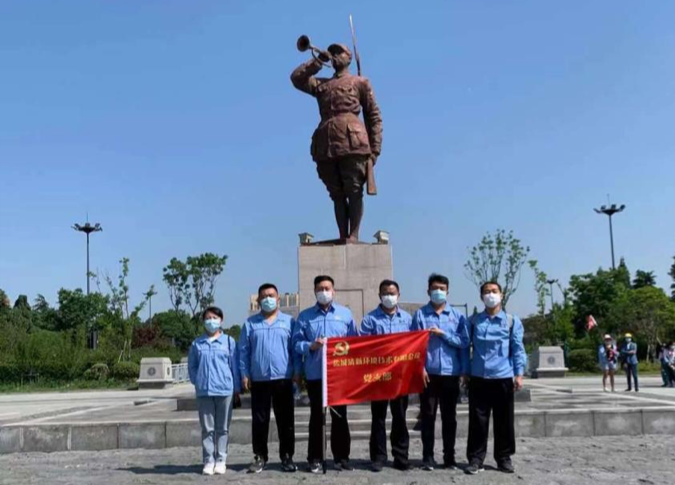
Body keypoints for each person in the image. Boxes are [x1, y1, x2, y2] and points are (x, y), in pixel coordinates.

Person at [291, 42, 382, 242]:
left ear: (349, 58)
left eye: (339, 52)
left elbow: (373, 116)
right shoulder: (322, 84)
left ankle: (353, 235)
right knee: (336, 193)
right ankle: (342, 234)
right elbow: (297, 78)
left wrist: (375, 150)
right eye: (332, 53)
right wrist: (318, 61)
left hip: (354, 142)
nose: (335, 55)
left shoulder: (360, 82)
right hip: (326, 144)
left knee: (354, 189)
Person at [292, 275, 358, 473]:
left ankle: (342, 457)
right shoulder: (305, 317)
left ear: (334, 291)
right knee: (316, 418)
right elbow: (296, 344)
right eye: (320, 289)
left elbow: (355, 343)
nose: (324, 292)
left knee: (340, 417)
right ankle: (315, 458)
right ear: (314, 291)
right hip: (315, 375)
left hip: (339, 376)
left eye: (327, 288)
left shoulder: (345, 314)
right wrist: (310, 346)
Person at [239, 283, 301, 473]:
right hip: (259, 379)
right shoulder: (250, 324)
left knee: (286, 421)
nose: (268, 299)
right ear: (258, 300)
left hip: (284, 378)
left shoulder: (289, 322)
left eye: (271, 295)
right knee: (259, 421)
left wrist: (297, 372)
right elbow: (244, 351)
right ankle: (260, 456)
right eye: (264, 296)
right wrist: (244, 373)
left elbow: (295, 350)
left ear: (278, 298)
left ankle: (287, 456)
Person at [465, 281, 526, 475]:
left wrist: (519, 374)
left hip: (503, 377)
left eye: (494, 291)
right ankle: (476, 459)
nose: (490, 295)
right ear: (481, 297)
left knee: (504, 421)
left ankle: (504, 458)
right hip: (479, 377)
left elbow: (518, 349)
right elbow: (465, 348)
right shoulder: (473, 321)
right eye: (486, 292)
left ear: (502, 294)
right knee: (477, 421)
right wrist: (465, 372)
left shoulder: (511, 321)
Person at [411, 274, 470, 471]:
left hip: (450, 373)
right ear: (428, 291)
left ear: (448, 291)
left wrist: (444, 335)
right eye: (435, 288)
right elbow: (414, 345)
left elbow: (464, 343)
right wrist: (420, 368)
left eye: (442, 289)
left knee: (449, 417)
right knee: (427, 416)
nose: (438, 291)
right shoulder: (420, 315)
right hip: (428, 374)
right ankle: (428, 457)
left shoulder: (457, 316)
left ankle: (449, 457)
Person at [359, 279, 414, 472]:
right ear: (379, 295)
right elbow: (363, 346)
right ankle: (378, 457)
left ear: (399, 295)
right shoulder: (370, 319)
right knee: (378, 418)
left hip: (400, 377)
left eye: (392, 293)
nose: (388, 296)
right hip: (379, 377)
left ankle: (401, 456)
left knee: (400, 416)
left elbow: (415, 346)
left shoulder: (408, 319)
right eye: (385, 293)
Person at [187, 306, 241, 475]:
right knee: (207, 429)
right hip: (204, 391)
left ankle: (221, 459)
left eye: (215, 318)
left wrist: (237, 389)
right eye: (208, 318)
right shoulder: (197, 343)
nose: (211, 321)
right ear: (203, 321)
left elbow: (234, 366)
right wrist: (197, 381)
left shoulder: (229, 342)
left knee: (223, 428)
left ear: (221, 320)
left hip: (225, 390)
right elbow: (192, 366)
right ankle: (208, 460)